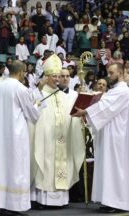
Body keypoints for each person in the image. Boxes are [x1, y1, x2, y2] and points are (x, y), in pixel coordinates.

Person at [72, 63, 129, 213]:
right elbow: (104, 105)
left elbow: (105, 107)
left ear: (121, 73)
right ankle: (109, 200)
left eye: (111, 73)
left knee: (115, 168)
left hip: (117, 137)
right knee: (108, 167)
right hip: (110, 134)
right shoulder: (115, 91)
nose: (109, 76)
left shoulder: (123, 91)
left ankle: (116, 202)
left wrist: (85, 112)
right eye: (109, 73)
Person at [31, 55, 84, 209]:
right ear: (46, 77)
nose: (57, 79)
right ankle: (44, 200)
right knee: (46, 166)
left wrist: (79, 119)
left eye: (58, 76)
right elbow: (33, 115)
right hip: (46, 141)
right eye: (53, 76)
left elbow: (71, 116)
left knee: (63, 165)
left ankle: (61, 200)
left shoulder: (63, 96)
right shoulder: (39, 95)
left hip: (63, 139)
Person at [0, 60, 42, 216]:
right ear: (21, 72)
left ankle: (3, 205)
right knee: (17, 168)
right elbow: (32, 115)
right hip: (16, 136)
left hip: (0, 135)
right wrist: (37, 105)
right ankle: (15, 205)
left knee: (2, 168)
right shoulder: (21, 88)